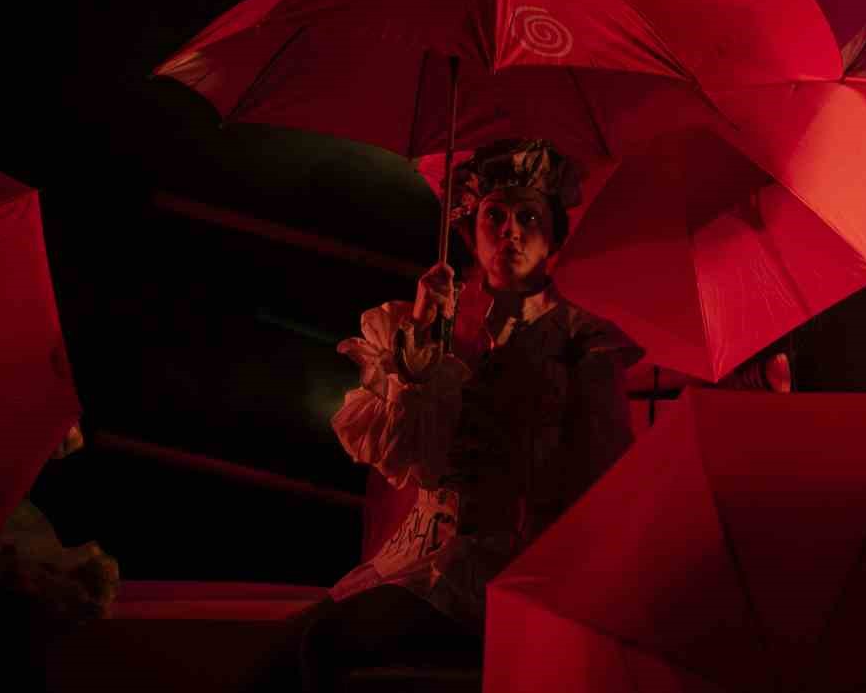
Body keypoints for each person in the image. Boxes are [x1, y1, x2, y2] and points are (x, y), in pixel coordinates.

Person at [256, 139, 641, 691]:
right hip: (418, 558)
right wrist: (420, 336)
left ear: (553, 234)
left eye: (529, 217)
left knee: (326, 645)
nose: (510, 231)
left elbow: (602, 477)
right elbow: (400, 456)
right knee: (284, 651)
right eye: (495, 216)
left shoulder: (581, 340)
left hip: (509, 568)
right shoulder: (442, 317)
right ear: (471, 227)